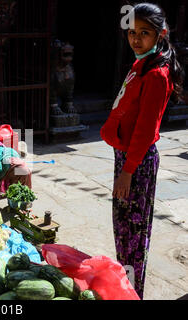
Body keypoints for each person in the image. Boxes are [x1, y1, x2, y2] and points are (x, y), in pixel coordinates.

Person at [100, 3, 184, 299]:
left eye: (144, 33)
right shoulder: (141, 65)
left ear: (160, 34)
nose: (136, 39)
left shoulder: (157, 75)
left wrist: (127, 173)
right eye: (132, 32)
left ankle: (132, 293)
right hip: (126, 159)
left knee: (132, 235)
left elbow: (146, 131)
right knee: (123, 230)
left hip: (136, 163)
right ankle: (125, 287)